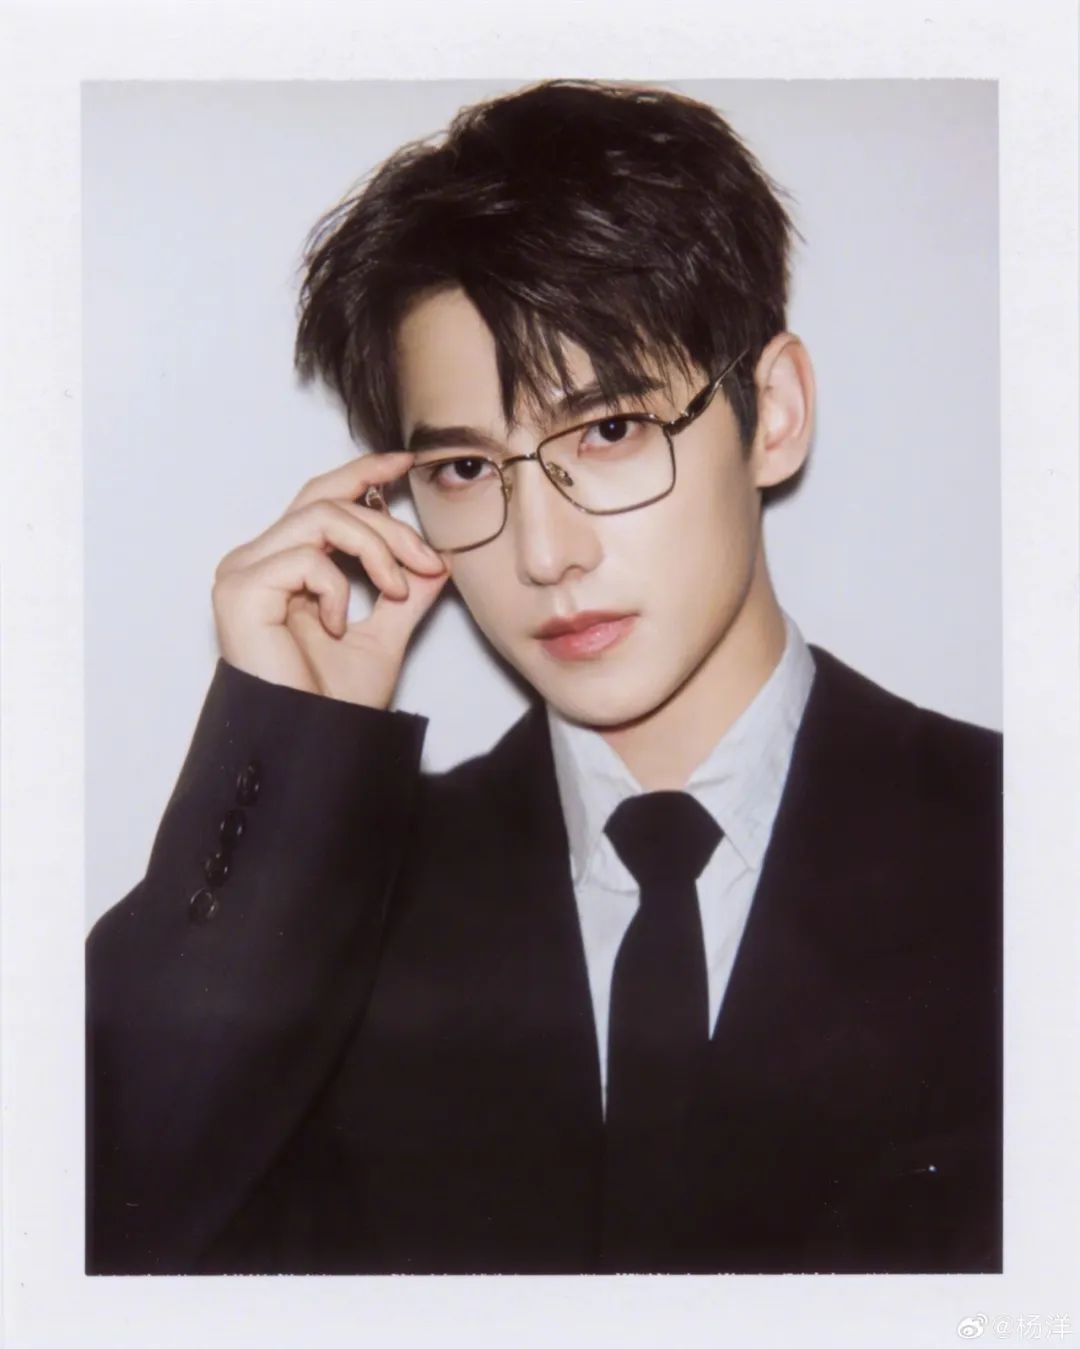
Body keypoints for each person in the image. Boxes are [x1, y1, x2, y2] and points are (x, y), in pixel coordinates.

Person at [85, 78, 1002, 1276]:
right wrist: (289, 752)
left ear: (771, 413)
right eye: (466, 469)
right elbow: (93, 1233)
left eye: (609, 431)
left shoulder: (1022, 844)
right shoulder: (339, 902)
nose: (542, 552)